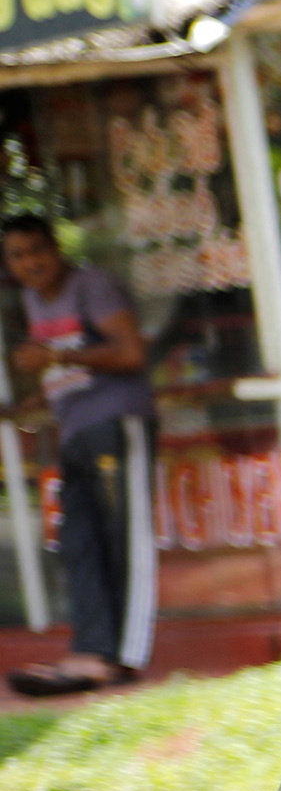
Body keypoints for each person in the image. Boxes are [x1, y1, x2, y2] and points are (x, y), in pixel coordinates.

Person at [1, 212, 145, 697]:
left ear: (56, 249)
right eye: (18, 256)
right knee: (79, 542)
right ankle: (91, 652)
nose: (30, 263)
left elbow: (129, 354)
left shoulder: (93, 286)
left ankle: (121, 658)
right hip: (75, 431)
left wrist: (56, 358)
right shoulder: (30, 299)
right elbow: (70, 367)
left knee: (121, 541)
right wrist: (40, 399)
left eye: (37, 251)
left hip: (116, 422)